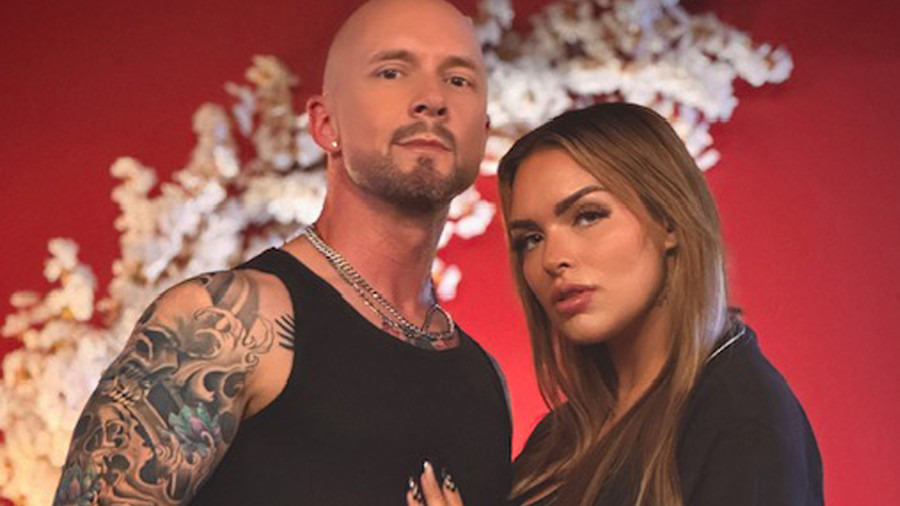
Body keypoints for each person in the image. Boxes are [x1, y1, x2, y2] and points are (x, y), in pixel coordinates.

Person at [52, 1, 512, 504]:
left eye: (458, 80)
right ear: (325, 124)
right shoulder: (224, 325)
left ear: (483, 134)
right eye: (391, 72)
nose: (432, 99)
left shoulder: (486, 384)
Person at [410, 103, 823, 506]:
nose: (553, 259)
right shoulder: (562, 436)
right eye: (531, 239)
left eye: (588, 216)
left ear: (669, 220)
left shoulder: (741, 420)